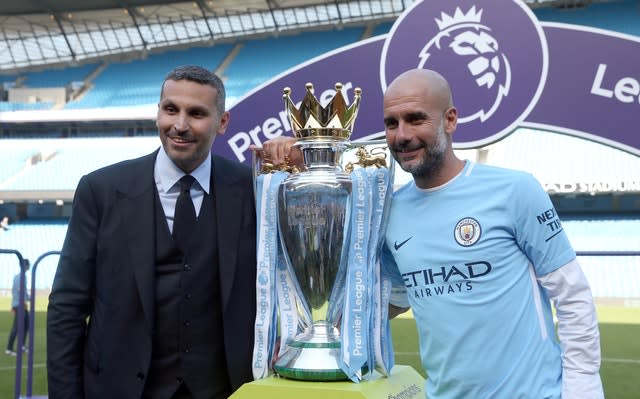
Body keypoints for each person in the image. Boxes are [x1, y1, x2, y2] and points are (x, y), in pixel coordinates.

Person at [260, 69, 604, 399]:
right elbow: (384, 302)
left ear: (450, 120)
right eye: (391, 123)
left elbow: (572, 297)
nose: (402, 134)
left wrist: (583, 390)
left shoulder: (514, 190)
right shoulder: (389, 210)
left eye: (416, 118)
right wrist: (311, 155)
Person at [47, 65, 257, 399]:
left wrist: (293, 161)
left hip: (221, 390)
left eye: (197, 113)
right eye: (170, 109)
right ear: (158, 112)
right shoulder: (100, 190)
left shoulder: (252, 190)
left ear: (223, 122)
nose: (180, 125)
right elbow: (67, 307)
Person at [6, 258, 29, 356]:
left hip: (20, 304)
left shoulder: (19, 276)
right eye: (28, 265)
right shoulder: (21, 277)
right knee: (16, 327)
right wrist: (25, 299)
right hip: (19, 304)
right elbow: (20, 290)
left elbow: (20, 290)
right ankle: (9, 349)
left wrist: (27, 298)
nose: (29, 267)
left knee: (26, 324)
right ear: (25, 266)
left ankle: (22, 346)